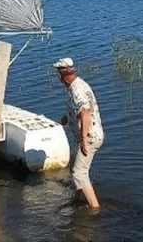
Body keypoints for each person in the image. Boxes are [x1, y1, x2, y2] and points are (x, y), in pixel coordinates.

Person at [54, 57, 103, 210]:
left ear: (61, 75)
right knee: (74, 165)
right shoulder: (79, 84)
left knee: (79, 173)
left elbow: (85, 112)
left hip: (89, 137)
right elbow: (78, 108)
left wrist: (84, 139)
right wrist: (66, 118)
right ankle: (80, 196)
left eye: (58, 73)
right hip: (85, 136)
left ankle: (95, 209)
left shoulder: (76, 89)